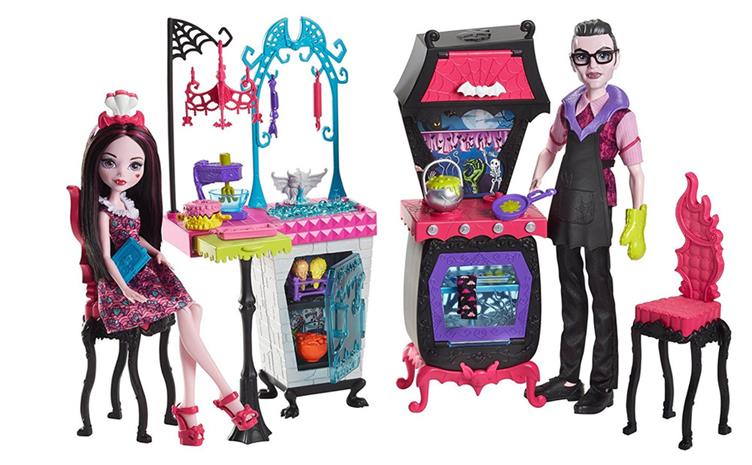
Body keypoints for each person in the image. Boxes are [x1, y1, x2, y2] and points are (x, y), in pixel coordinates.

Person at [80, 90, 258, 445]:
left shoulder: (128, 205)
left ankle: (189, 408)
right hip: (122, 286)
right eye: (110, 163)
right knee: (186, 311)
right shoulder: (102, 211)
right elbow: (107, 255)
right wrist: (125, 289)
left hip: (145, 272)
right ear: (96, 164)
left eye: (135, 166)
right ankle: (226, 395)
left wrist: (155, 252)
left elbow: (134, 237)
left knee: (194, 309)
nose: (122, 173)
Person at [529, 20, 647, 414]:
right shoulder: (568, 107)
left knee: (601, 296)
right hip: (564, 205)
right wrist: (535, 181)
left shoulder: (621, 115)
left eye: (602, 55)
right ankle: (569, 377)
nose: (592, 64)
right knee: (570, 293)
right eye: (583, 56)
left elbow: (636, 171)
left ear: (615, 59)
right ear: (573, 61)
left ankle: (603, 383)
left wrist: (637, 218)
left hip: (598, 207)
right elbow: (550, 147)